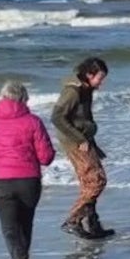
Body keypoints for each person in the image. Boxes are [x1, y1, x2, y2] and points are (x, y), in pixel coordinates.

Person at [0, 80, 56, 259]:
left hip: (1, 181)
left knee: (9, 228)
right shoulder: (33, 121)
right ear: (24, 98)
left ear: (3, 97)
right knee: (25, 224)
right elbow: (46, 157)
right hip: (28, 180)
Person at [52, 56, 114, 240]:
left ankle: (92, 224)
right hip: (75, 142)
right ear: (89, 74)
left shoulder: (86, 89)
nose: (101, 83)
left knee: (89, 183)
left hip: (85, 139)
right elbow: (57, 117)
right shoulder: (73, 91)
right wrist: (79, 139)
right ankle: (72, 220)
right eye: (99, 78)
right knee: (97, 181)